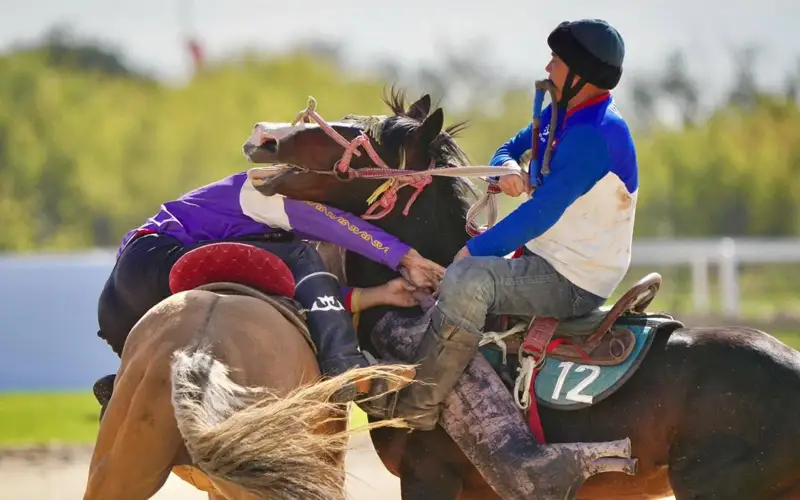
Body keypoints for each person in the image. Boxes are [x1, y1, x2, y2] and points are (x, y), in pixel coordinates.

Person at [393, 19, 636, 429]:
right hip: (546, 258)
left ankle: (422, 401)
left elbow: (538, 215)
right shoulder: (563, 114)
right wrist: (505, 168)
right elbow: (506, 149)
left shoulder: (593, 136)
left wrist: (471, 253)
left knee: (470, 279)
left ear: (582, 74)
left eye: (556, 61)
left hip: (572, 281)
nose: (547, 67)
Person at [92, 170, 445, 415]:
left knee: (296, 269)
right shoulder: (259, 187)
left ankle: (122, 387)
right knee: (303, 256)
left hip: (118, 308)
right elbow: (329, 223)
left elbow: (302, 293)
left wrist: (381, 294)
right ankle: (345, 367)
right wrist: (405, 257)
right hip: (158, 262)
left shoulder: (237, 228)